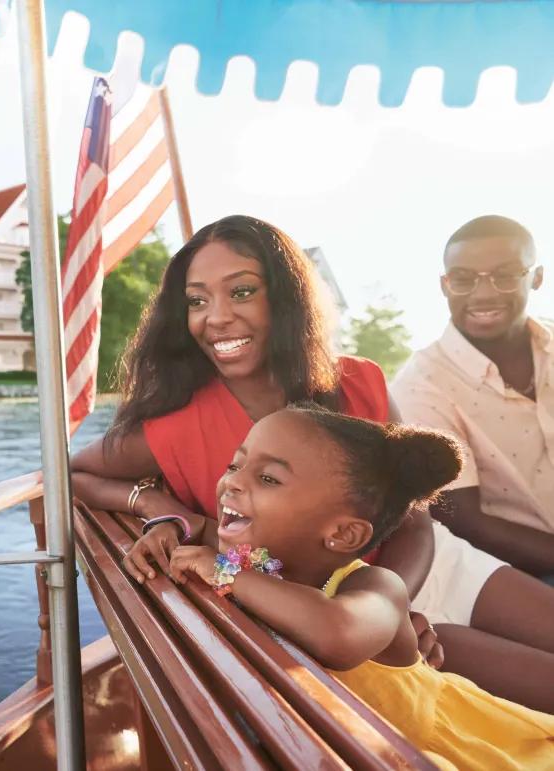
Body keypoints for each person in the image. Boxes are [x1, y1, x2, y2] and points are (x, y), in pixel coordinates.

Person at [70, 215, 554, 711]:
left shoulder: (360, 382)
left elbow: (414, 520)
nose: (215, 317)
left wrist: (398, 606)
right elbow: (74, 474)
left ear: (285, 297)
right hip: (320, 608)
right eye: (197, 300)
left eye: (241, 292)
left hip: (410, 576)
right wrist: (151, 500)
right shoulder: (172, 425)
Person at [166, 406, 554, 771]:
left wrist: (222, 571)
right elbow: (198, 527)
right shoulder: (260, 566)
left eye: (267, 478)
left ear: (343, 534)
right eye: (235, 464)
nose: (232, 480)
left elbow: (337, 634)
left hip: (441, 752)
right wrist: (167, 529)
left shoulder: (376, 587)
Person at [392, 215, 553, 581]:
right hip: (525, 575)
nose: (483, 294)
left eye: (506, 274)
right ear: (445, 285)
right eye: (463, 279)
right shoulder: (420, 386)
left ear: (537, 277)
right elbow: (466, 521)